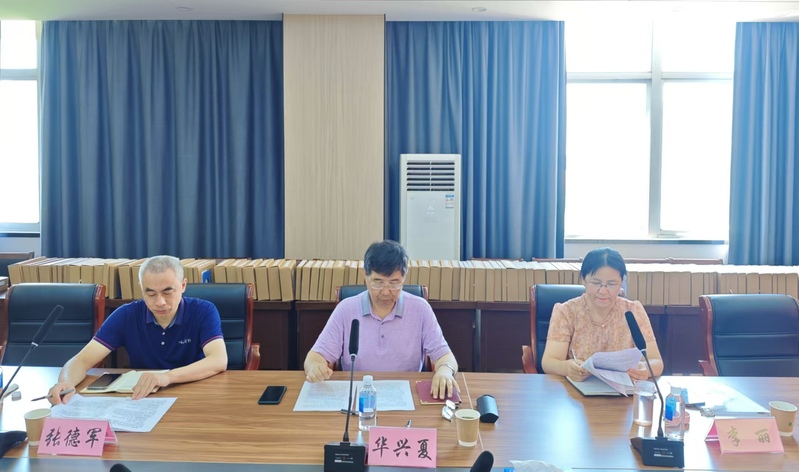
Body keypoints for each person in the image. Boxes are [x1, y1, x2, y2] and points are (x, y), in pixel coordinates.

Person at [48, 255, 228, 403]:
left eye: (167, 292)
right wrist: (65, 383)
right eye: (151, 293)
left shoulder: (203, 311)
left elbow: (219, 360)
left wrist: (167, 377)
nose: (160, 302)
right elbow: (81, 360)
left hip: (193, 394)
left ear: (183, 286)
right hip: (142, 397)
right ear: (141, 289)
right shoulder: (126, 314)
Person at [304, 240, 460, 399]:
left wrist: (445, 370)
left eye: (394, 283)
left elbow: (445, 357)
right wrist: (316, 367)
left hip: (407, 395)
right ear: (365, 276)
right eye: (378, 283)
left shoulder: (420, 309)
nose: (386, 292)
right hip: (357, 395)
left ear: (404, 278)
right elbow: (314, 357)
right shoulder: (346, 310)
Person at [541, 247, 664, 381]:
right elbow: (549, 362)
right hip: (579, 388)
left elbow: (656, 361)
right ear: (584, 279)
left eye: (611, 284)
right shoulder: (566, 311)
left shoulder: (633, 311)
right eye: (596, 283)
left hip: (623, 390)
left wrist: (645, 369)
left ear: (621, 282)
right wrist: (567, 368)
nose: (603, 291)